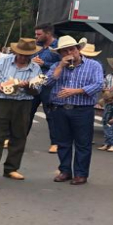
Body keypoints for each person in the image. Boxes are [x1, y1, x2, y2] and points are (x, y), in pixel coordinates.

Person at [0, 37, 42, 182]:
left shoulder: (36, 68)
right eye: (21, 54)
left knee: (19, 135)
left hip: (23, 103)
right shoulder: (3, 61)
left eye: (27, 55)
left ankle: (12, 168)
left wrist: (28, 86)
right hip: (1, 101)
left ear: (31, 55)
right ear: (15, 52)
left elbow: (37, 90)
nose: (23, 57)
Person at [45, 36, 102, 185]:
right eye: (64, 51)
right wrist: (60, 67)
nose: (69, 53)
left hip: (82, 109)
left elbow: (98, 85)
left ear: (78, 49)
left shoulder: (93, 65)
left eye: (72, 49)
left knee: (83, 143)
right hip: (59, 108)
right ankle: (65, 171)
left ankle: (81, 174)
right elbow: (46, 82)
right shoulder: (57, 65)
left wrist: (76, 91)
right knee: (63, 142)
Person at [30, 23, 61, 152]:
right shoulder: (37, 47)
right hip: (35, 82)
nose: (36, 36)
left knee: (51, 115)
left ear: (48, 34)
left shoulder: (59, 46)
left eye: (39, 34)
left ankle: (55, 143)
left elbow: (62, 64)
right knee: (27, 113)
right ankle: (16, 140)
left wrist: (44, 63)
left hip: (49, 85)